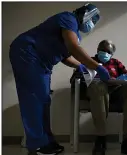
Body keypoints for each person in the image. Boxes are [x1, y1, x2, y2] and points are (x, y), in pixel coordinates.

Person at [9, 3, 110, 155]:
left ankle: (47, 141)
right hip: (28, 53)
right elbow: (73, 48)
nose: (91, 25)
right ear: (85, 15)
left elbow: (67, 56)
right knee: (33, 99)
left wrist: (81, 67)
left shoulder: (75, 33)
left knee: (44, 100)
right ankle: (37, 145)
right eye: (92, 20)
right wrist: (97, 66)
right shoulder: (69, 19)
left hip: (42, 63)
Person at [86, 40, 127, 155]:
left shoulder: (116, 62)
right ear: (97, 50)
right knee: (99, 86)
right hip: (98, 90)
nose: (105, 53)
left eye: (108, 51)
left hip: (116, 89)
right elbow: (79, 76)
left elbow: (126, 76)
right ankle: (100, 139)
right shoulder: (90, 61)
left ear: (112, 54)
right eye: (102, 50)